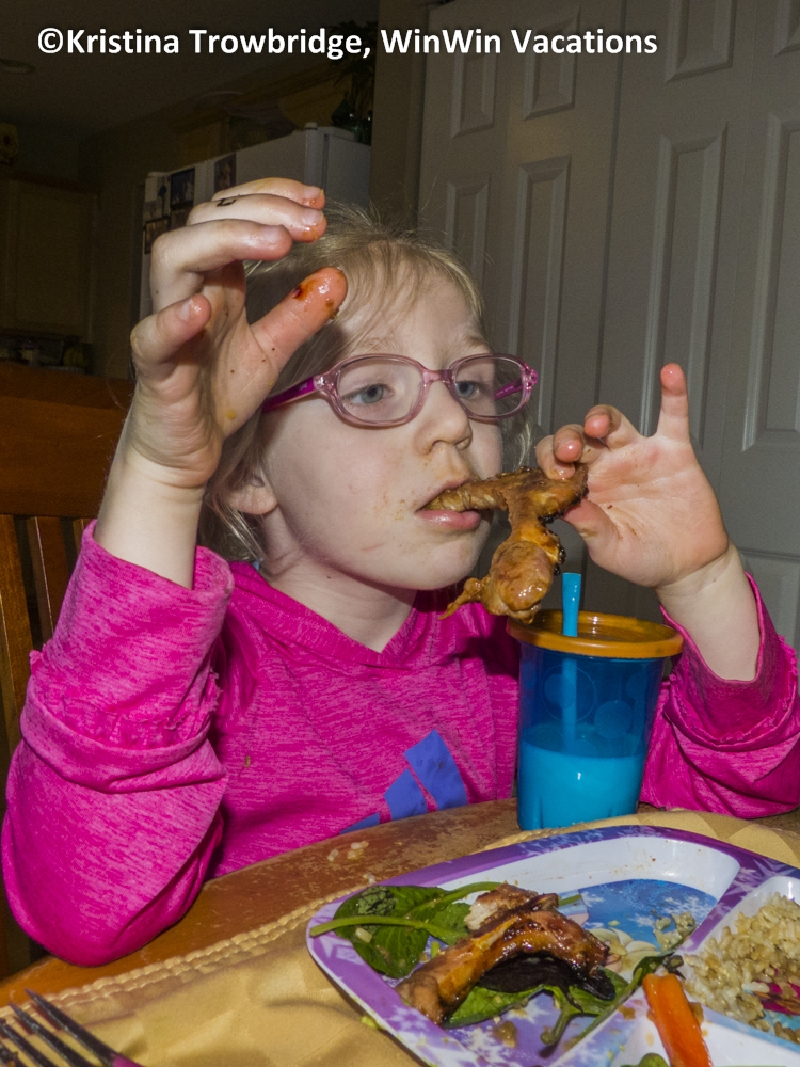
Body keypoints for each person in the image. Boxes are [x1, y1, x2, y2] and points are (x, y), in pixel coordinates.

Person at [2, 179, 798, 967]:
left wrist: (703, 577)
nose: (455, 422)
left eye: (470, 383)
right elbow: (84, 908)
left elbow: (737, 801)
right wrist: (163, 474)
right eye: (375, 388)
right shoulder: (203, 673)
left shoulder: (510, 652)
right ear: (247, 472)